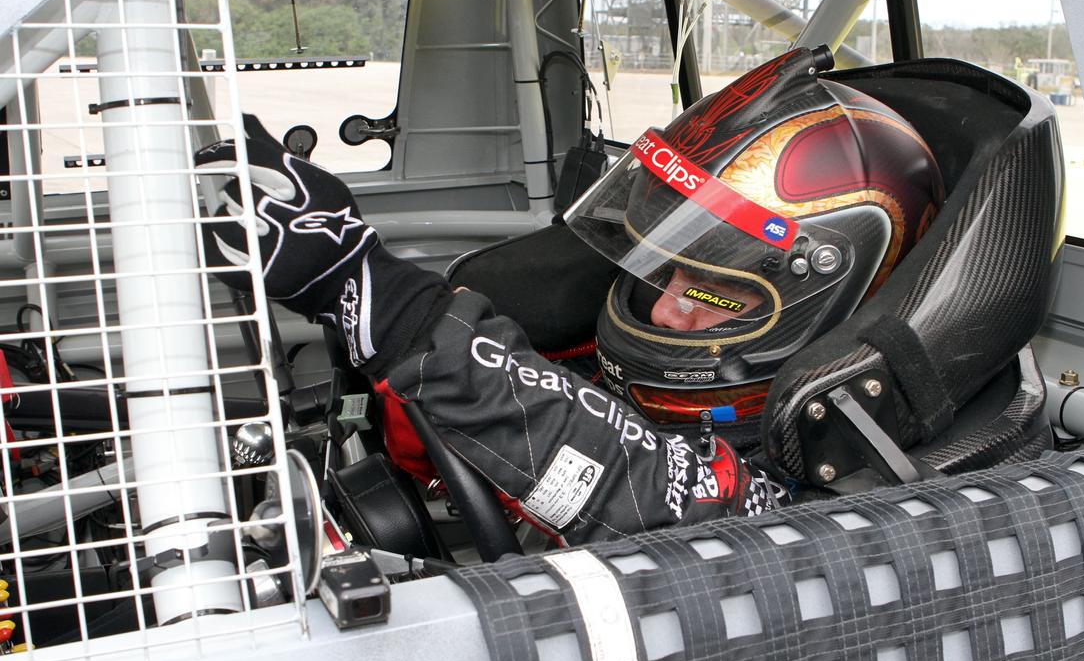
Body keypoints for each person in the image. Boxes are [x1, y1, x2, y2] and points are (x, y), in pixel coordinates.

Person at [197, 47, 944, 546]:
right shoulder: (653, 343)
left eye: (711, 294)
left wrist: (366, 293)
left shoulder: (831, 497)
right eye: (667, 270)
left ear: (819, 309)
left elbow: (657, 487)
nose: (662, 309)